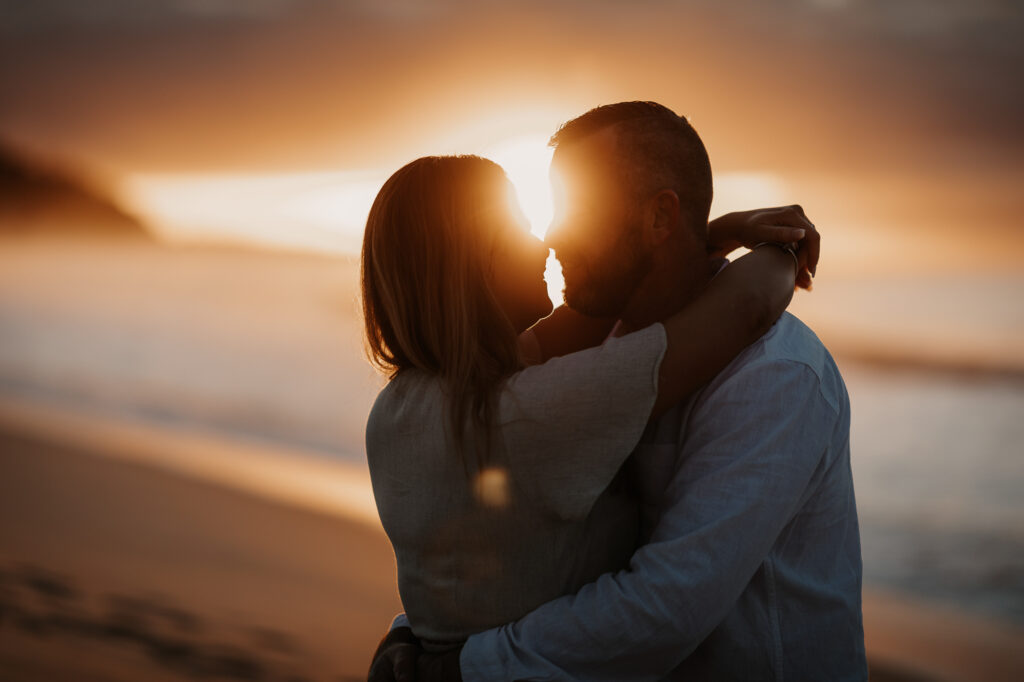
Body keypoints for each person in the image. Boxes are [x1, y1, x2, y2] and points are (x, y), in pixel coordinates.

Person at [370, 102, 864, 681]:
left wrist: (435, 648)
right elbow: (746, 303)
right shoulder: (566, 378)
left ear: (658, 219)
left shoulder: (775, 376)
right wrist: (768, 247)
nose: (551, 235)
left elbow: (661, 604)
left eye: (574, 210)